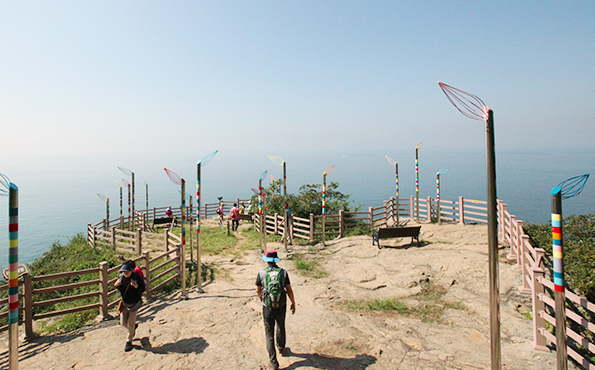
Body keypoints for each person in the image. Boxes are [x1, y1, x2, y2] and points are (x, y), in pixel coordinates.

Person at [256, 250, 296, 370]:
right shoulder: (283, 272)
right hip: (281, 305)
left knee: (269, 334)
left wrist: (262, 299)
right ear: (276, 260)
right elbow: (288, 289)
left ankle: (273, 363)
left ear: (267, 261)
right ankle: (281, 347)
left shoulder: (261, 273)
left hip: (267, 306)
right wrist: (293, 302)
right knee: (281, 325)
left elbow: (258, 289)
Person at [115, 260, 145, 352]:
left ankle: (129, 341)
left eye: (126, 272)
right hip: (125, 303)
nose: (125, 273)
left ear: (131, 271)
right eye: (123, 271)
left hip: (134, 303)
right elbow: (121, 289)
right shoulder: (121, 277)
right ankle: (133, 328)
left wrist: (136, 286)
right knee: (123, 323)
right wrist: (116, 285)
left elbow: (143, 289)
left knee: (130, 323)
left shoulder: (136, 278)